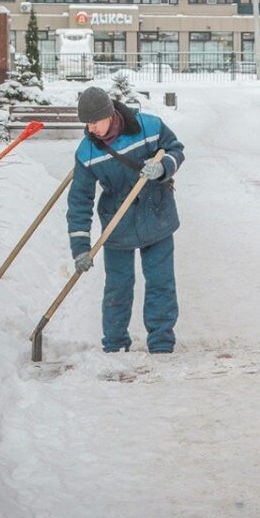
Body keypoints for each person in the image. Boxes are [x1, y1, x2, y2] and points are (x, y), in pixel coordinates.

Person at [67, 86, 185, 353]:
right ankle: (115, 345)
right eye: (86, 124)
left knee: (160, 282)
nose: (91, 129)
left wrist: (164, 166)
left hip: (157, 215)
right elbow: (79, 202)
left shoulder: (149, 127)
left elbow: (176, 149)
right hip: (117, 224)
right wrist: (81, 249)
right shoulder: (87, 152)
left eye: (95, 122)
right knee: (117, 288)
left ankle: (162, 344)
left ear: (109, 114)